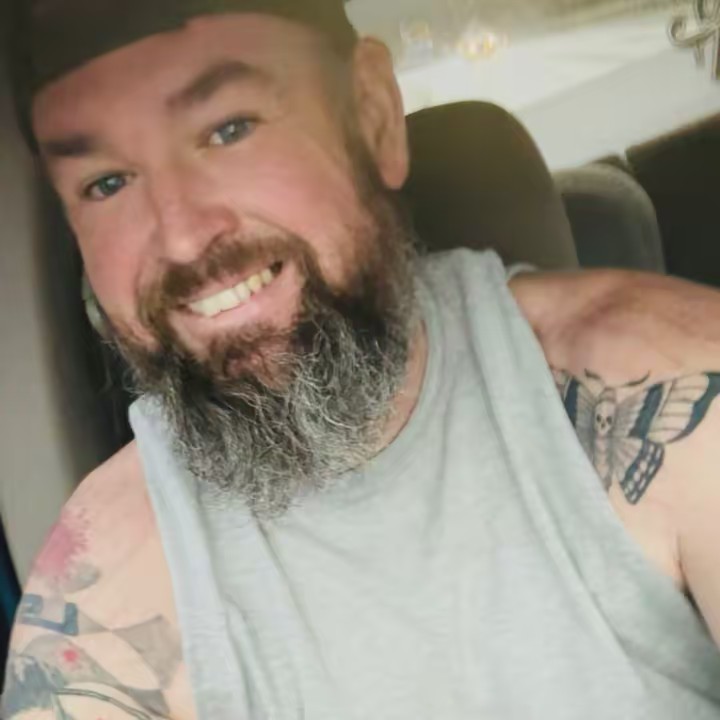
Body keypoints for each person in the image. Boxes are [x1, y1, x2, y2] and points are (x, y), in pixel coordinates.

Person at [3, 1, 720, 718]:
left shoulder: (667, 391)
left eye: (229, 130)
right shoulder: (99, 604)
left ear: (374, 116)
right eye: (106, 184)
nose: (182, 238)